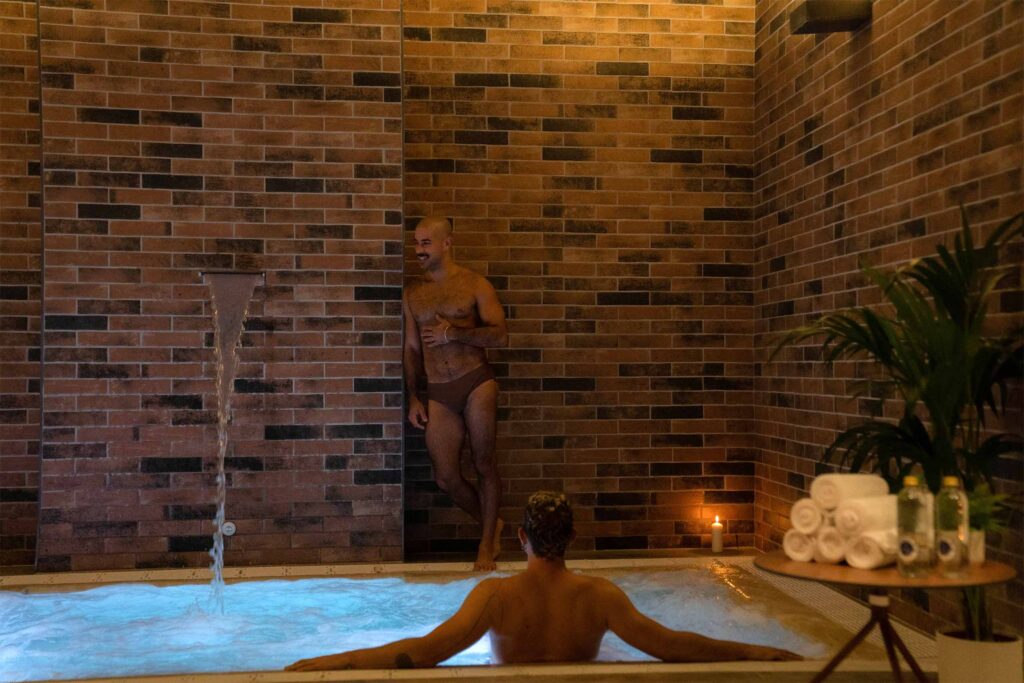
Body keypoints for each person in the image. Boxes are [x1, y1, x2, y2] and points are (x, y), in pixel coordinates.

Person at [286, 491, 802, 671]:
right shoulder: (600, 597)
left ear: (519, 537)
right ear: (573, 536)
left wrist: (333, 661)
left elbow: (423, 653)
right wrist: (756, 650)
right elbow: (672, 646)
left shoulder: (496, 596)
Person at [403, 216, 508, 571]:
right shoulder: (413, 293)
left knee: (484, 462)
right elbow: (412, 348)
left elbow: (500, 335)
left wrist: (455, 334)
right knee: (445, 476)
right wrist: (414, 396)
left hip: (476, 380)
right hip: (438, 390)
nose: (418, 250)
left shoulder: (475, 285)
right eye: (416, 243)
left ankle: (485, 546)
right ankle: (492, 526)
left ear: (446, 243)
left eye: (426, 243)